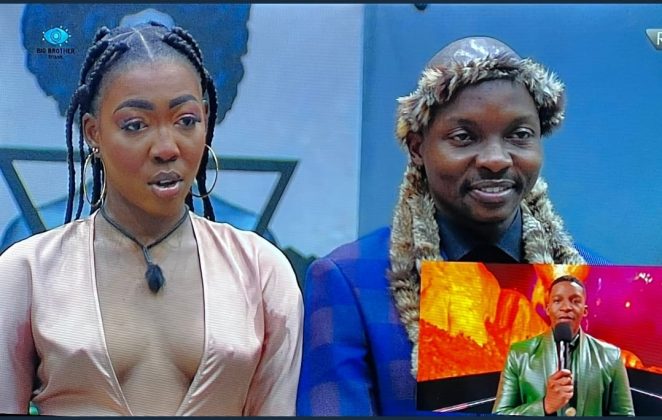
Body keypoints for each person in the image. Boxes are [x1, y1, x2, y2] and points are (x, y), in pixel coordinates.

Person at [0, 22, 302, 415]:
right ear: (93, 132)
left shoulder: (261, 270)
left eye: (186, 121)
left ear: (206, 120)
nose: (166, 148)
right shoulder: (26, 272)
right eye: (135, 125)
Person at [296, 36, 606, 415]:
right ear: (417, 148)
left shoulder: (594, 279)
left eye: (519, 135)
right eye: (464, 137)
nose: (495, 159)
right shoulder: (351, 281)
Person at [493, 275, 635, 416]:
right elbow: (499, 414)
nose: (566, 307)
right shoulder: (519, 354)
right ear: (548, 308)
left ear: (585, 310)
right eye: (557, 300)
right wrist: (545, 406)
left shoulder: (611, 356)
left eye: (575, 301)